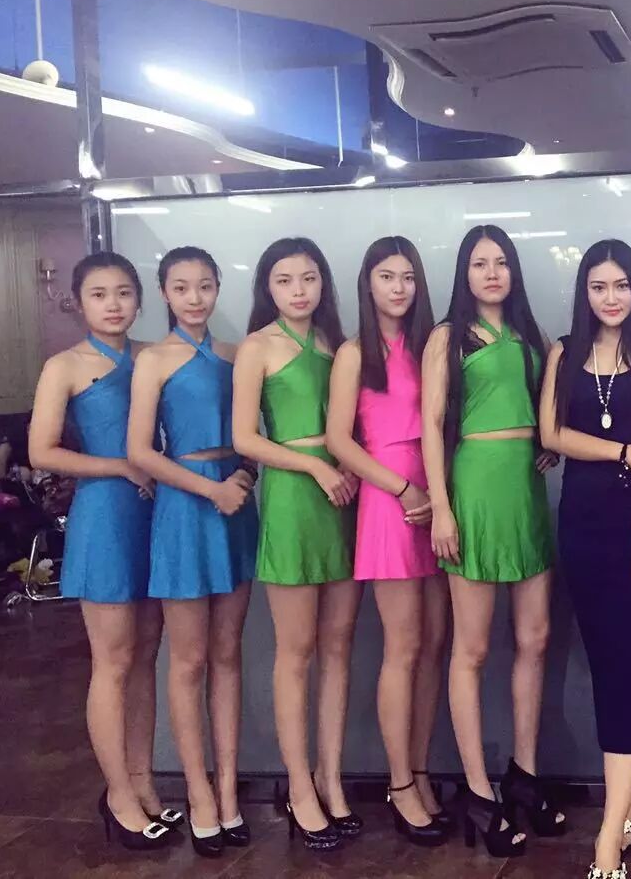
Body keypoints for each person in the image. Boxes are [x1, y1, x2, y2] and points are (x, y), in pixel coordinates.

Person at [28, 252, 179, 850]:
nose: (113, 304)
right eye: (99, 294)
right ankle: (117, 795)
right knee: (112, 661)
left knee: (147, 656)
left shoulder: (154, 355)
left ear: (141, 298)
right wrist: (121, 465)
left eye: (123, 292)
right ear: (78, 302)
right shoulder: (64, 365)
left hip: (157, 513)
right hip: (106, 517)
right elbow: (42, 451)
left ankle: (143, 783)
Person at [539, 240, 631, 879]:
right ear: (585, 292)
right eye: (599, 286)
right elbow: (551, 434)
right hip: (583, 526)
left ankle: (607, 839)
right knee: (605, 666)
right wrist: (623, 451)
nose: (611, 297)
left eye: (621, 285)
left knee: (627, 667)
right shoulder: (565, 352)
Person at [421, 224, 561, 858]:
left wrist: (546, 447)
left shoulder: (531, 335)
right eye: (480, 263)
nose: (492, 273)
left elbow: (544, 412)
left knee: (535, 638)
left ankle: (525, 775)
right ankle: (479, 793)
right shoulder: (447, 336)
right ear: (464, 273)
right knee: (472, 648)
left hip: (525, 490)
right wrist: (441, 509)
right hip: (473, 487)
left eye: (501, 262)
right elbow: (431, 424)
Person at [126, 247, 259, 858]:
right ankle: (199, 794)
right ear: (164, 293)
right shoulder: (152, 360)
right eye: (182, 287)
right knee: (188, 660)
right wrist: (211, 490)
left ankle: (229, 791)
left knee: (228, 654)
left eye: (205, 285)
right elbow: (140, 451)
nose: (195, 298)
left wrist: (244, 479)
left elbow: (255, 437)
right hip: (184, 510)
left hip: (237, 503)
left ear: (218, 287)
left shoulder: (237, 355)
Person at [231, 237, 358, 852]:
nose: (299, 290)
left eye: (309, 277)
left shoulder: (340, 344)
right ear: (268, 287)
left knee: (339, 647)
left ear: (323, 282)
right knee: (296, 650)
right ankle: (299, 786)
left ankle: (332, 778)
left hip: (346, 497)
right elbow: (244, 438)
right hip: (291, 498)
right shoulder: (257, 346)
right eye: (284, 280)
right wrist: (314, 466)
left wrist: (348, 464)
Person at [325, 236, 448, 848]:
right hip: (389, 497)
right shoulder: (354, 353)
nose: (398, 288)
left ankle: (420, 772)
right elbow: (337, 440)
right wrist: (401, 488)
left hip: (441, 493)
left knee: (434, 644)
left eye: (408, 277)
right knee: (403, 646)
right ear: (367, 284)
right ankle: (399, 784)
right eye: (386, 277)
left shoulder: (433, 346)